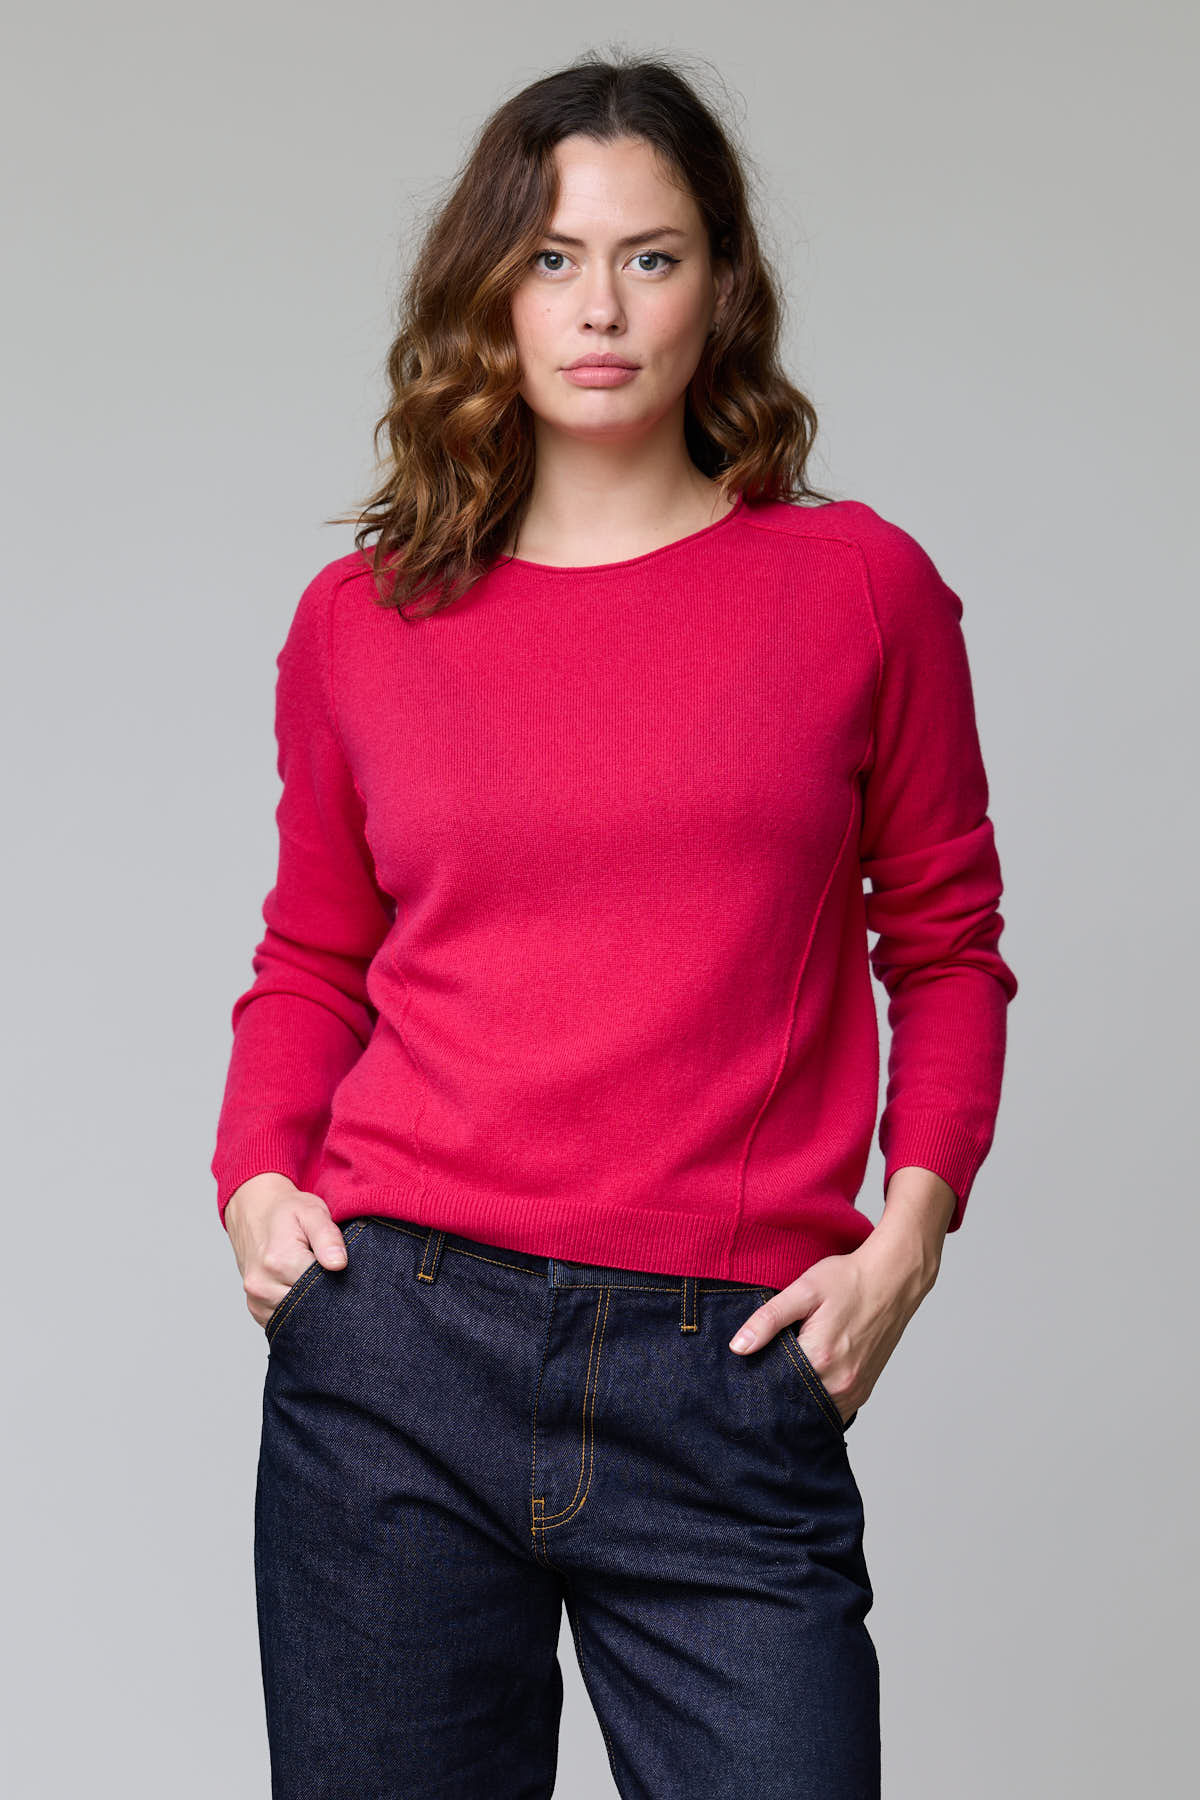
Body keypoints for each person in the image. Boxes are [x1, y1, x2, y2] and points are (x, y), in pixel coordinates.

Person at [212, 51, 1018, 1800]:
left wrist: (910, 1238)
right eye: (554, 259)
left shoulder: (859, 591)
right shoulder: (363, 620)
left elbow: (949, 943)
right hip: (397, 1349)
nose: (600, 308)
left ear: (721, 284)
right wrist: (256, 1175)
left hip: (723, 1371)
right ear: (491, 293)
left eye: (651, 258)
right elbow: (313, 958)